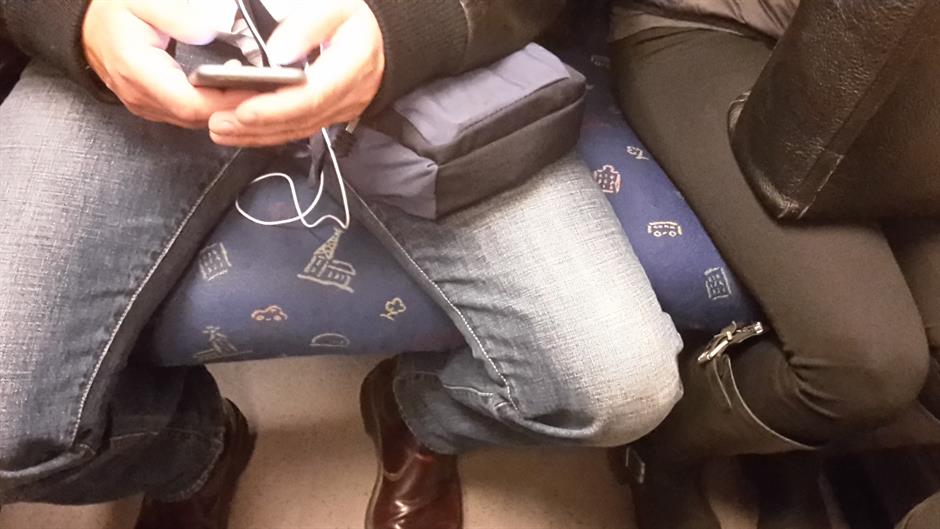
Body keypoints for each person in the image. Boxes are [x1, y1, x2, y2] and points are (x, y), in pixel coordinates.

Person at [0, 1, 684, 528]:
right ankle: (198, 450)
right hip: (146, 43)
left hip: (418, 51)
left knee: (621, 387)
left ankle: (416, 413)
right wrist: (78, 18)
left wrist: (416, 28)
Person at [607, 0, 940, 528]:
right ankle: (663, 445)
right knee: (865, 370)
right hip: (719, 26)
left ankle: (787, 448)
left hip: (912, 70)